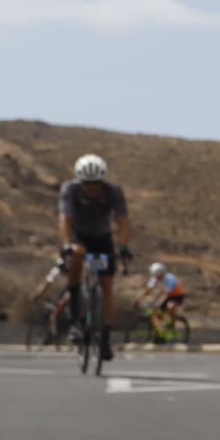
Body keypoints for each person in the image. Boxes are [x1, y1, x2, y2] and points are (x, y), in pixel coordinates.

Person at [58, 153, 132, 361]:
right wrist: (67, 245)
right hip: (78, 236)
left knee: (106, 285)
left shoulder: (113, 192)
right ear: (80, 180)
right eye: (87, 184)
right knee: (77, 258)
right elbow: (65, 219)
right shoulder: (70, 190)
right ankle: (75, 320)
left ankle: (105, 337)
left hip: (102, 237)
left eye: (96, 184)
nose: (91, 188)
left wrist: (124, 246)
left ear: (102, 180)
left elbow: (122, 221)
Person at [138, 261, 188, 342]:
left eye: (159, 277)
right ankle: (161, 333)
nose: (157, 279)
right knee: (155, 313)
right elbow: (148, 291)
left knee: (170, 306)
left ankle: (171, 323)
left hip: (177, 295)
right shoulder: (155, 278)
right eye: (156, 277)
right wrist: (139, 299)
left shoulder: (170, 279)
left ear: (162, 273)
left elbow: (166, 295)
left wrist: (158, 303)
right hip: (166, 295)